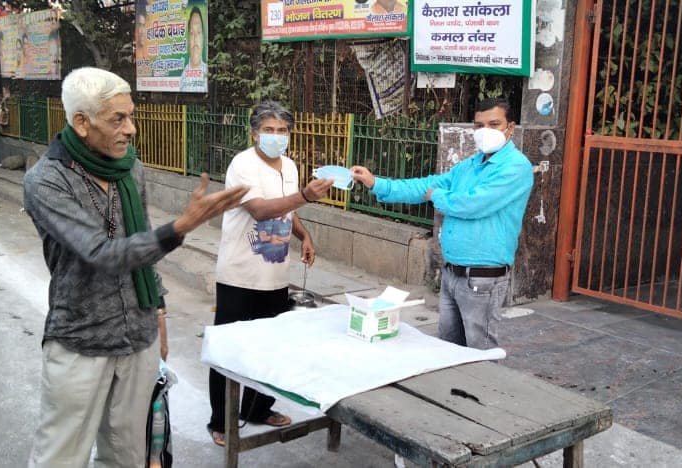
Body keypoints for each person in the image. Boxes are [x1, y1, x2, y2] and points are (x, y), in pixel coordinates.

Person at [23, 67, 249, 467]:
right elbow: (103, 253)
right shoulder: (46, 180)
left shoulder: (130, 168)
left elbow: (139, 240)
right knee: (61, 456)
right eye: (118, 119)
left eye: (131, 116)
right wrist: (182, 226)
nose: (131, 129)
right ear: (81, 123)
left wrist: (158, 311)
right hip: (82, 339)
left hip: (137, 337)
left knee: (127, 455)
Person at [351, 98, 534, 350]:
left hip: (482, 280)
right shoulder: (471, 165)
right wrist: (376, 183)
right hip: (452, 274)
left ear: (510, 128)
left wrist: (436, 195)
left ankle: (479, 391)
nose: (485, 132)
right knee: (447, 349)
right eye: (479, 126)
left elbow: (472, 204)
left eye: (494, 124)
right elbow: (424, 184)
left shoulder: (516, 167)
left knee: (479, 354)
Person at [206, 101, 334, 446]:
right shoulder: (242, 165)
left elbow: (287, 207)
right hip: (239, 274)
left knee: (272, 347)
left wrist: (304, 234)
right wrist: (306, 195)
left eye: (282, 131)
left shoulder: (289, 166)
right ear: (254, 133)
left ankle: (258, 408)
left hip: (275, 275)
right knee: (229, 350)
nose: (276, 137)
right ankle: (221, 419)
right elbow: (261, 210)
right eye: (269, 130)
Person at [178, 6, 207, 92]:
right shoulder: (182, 76)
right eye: (191, 33)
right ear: (187, 41)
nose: (195, 38)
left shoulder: (208, 73)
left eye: (198, 32)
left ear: (203, 39)